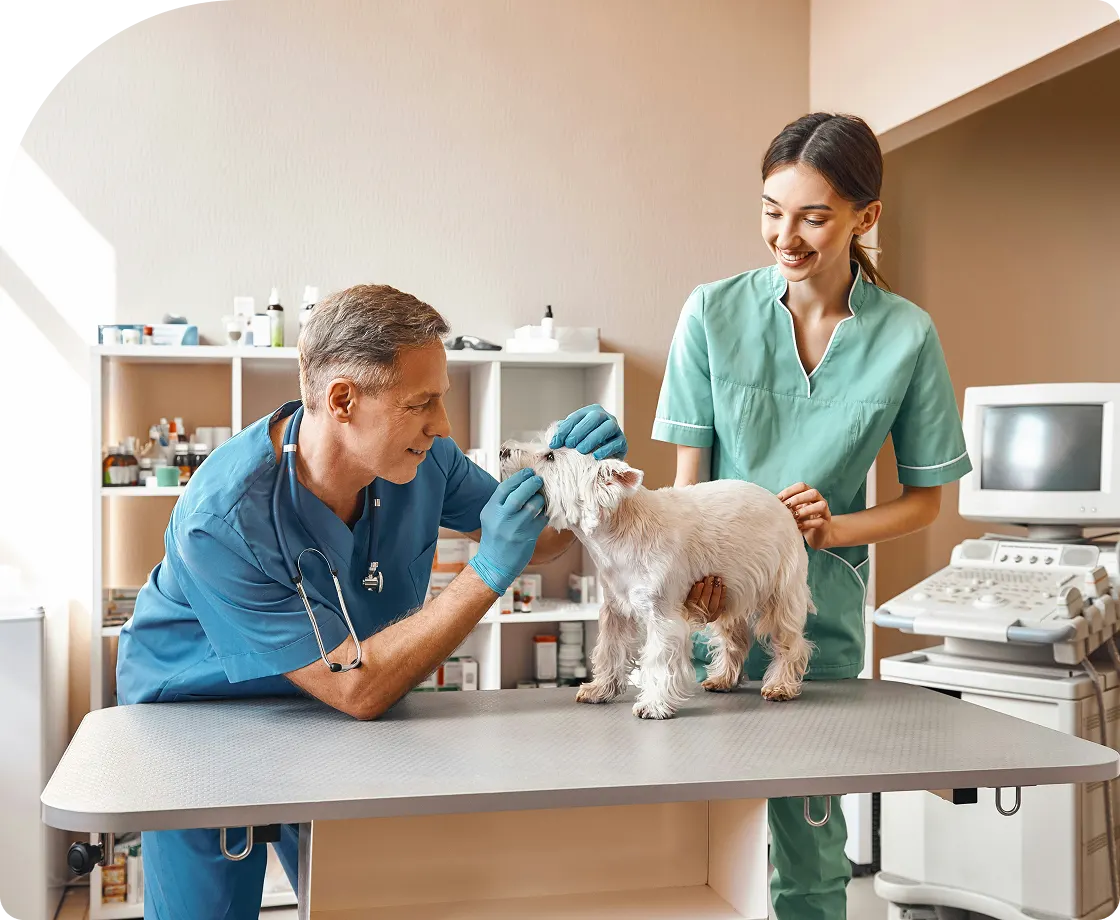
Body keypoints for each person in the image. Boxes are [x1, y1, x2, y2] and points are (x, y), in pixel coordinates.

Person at [115, 283, 629, 919]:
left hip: (337, 714)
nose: (444, 425)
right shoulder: (222, 517)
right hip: (200, 720)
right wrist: (488, 570)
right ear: (342, 401)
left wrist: (578, 482)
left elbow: (539, 541)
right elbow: (357, 688)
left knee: (366, 898)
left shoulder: (425, 461)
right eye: (424, 404)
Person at [652, 112, 972, 919]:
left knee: (808, 853)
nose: (784, 236)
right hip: (713, 612)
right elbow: (685, 485)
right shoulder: (711, 314)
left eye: (812, 216)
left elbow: (925, 502)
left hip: (815, 627)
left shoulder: (906, 335)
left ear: (865, 217)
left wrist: (835, 528)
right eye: (770, 209)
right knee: (689, 845)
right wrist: (692, 584)